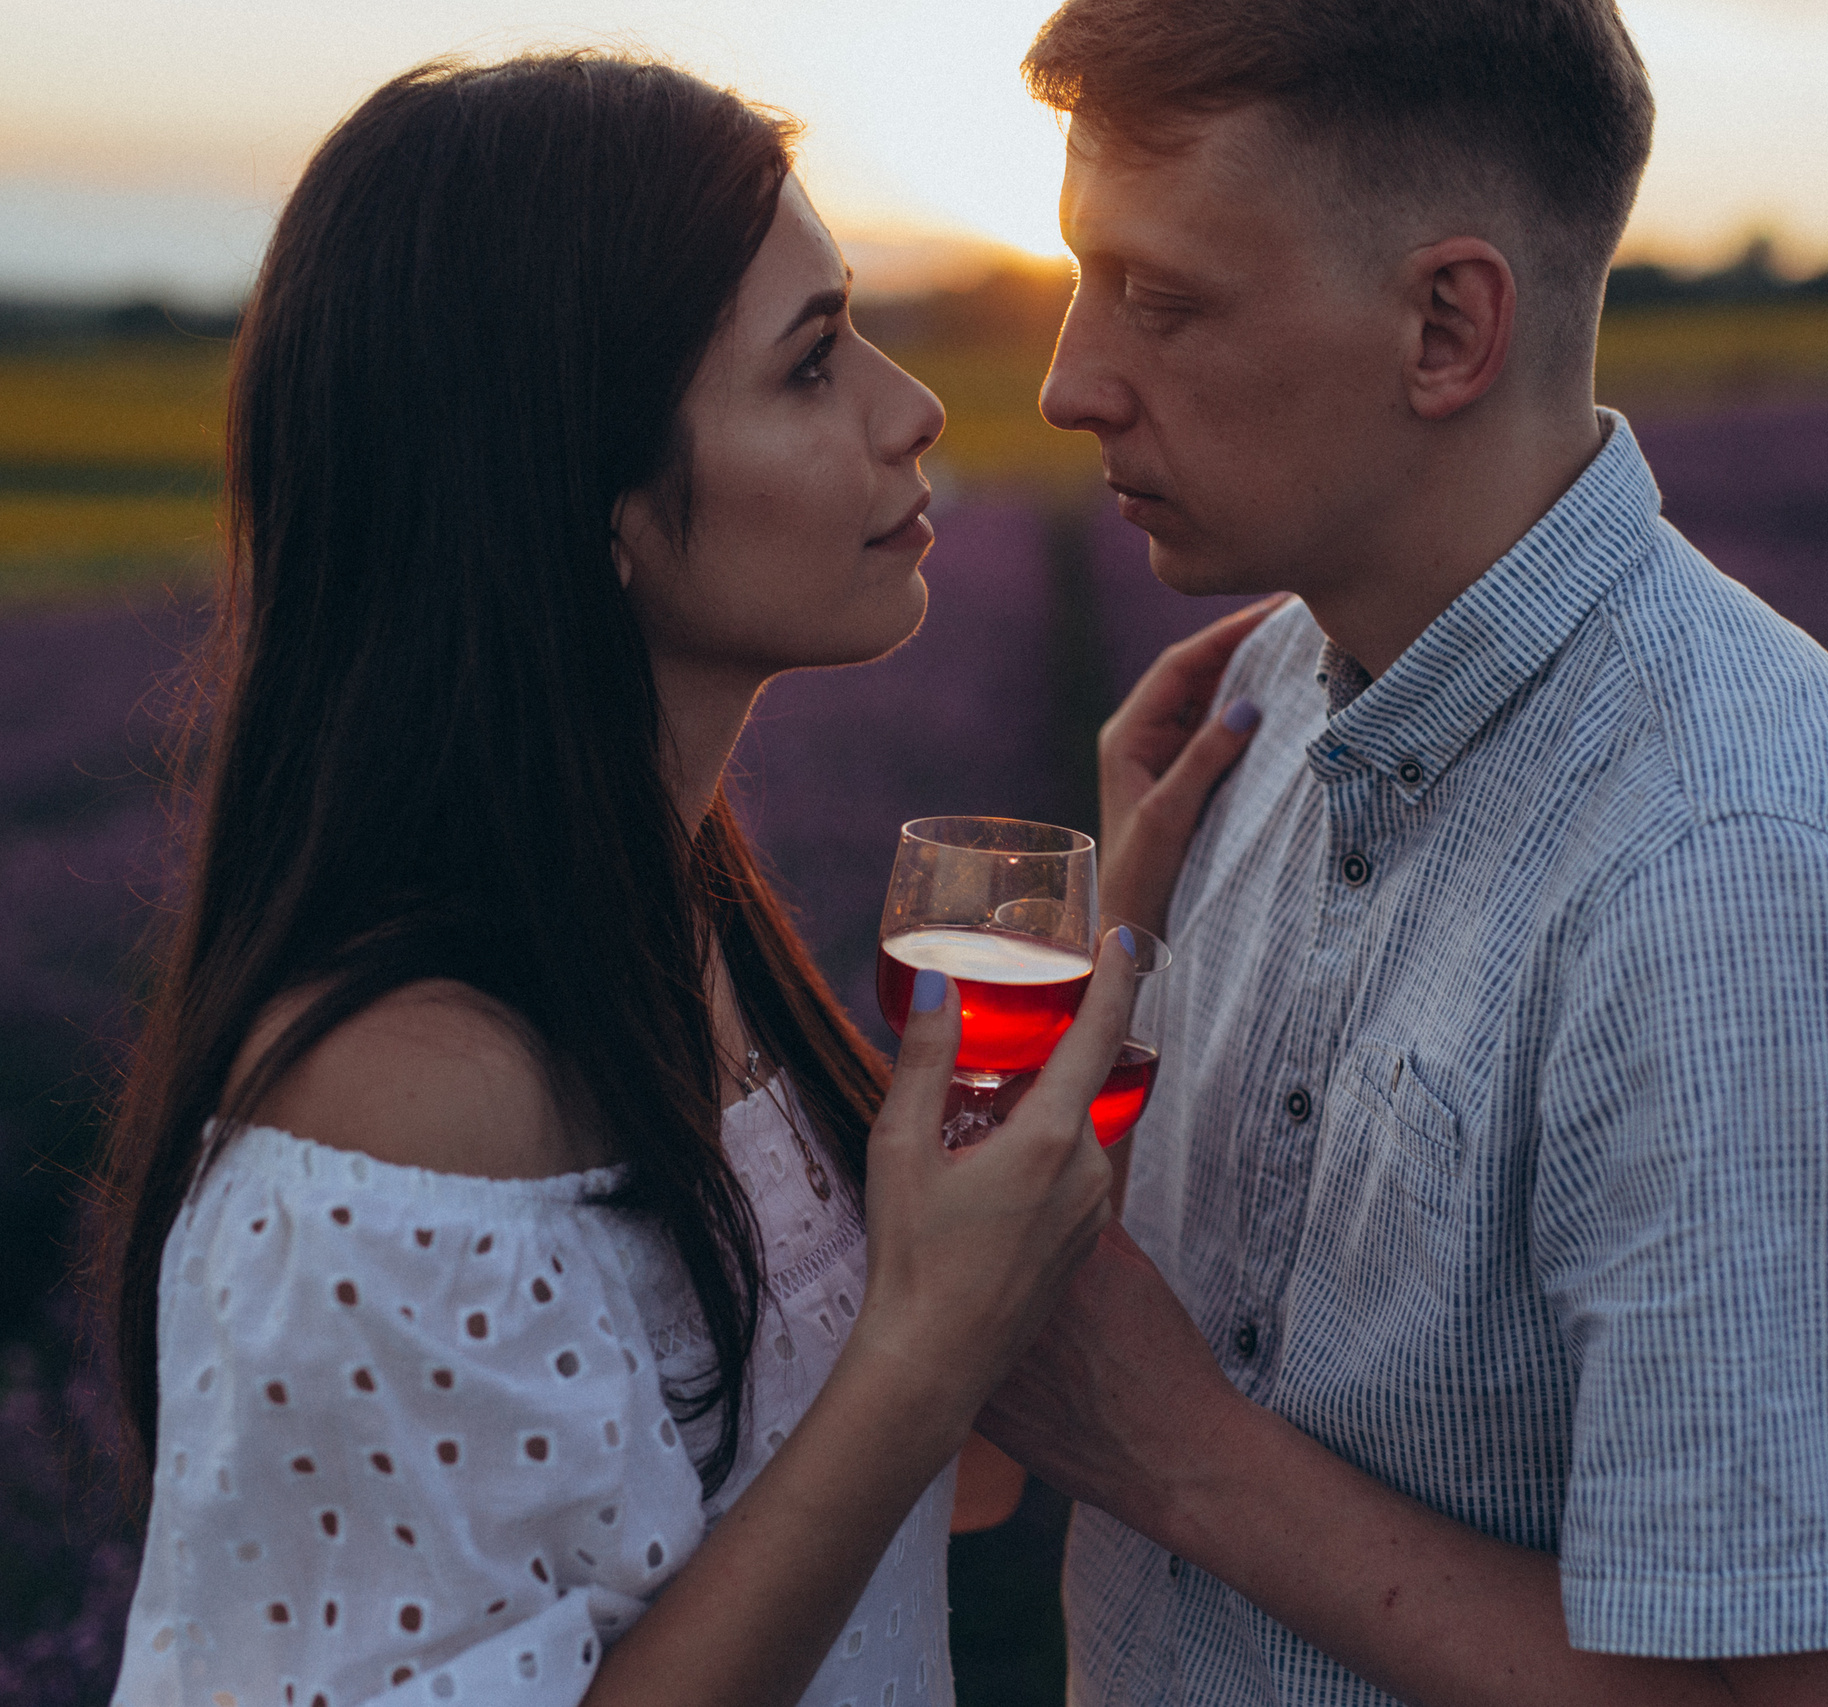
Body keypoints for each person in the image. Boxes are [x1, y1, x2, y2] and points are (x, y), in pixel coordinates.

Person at [974, 2, 1828, 1704]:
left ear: (1448, 327)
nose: (1070, 380)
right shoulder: (1265, 691)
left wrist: (1180, 1456)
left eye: (1161, 301)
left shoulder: (1728, 888)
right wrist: (1127, 955)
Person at [93, 52, 1158, 1707]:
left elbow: (941, 1492)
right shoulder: (401, 1113)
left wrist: (1143, 914)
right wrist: (928, 1332)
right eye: (811, 366)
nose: (913, 405)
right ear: (584, 505)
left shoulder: (678, 939)